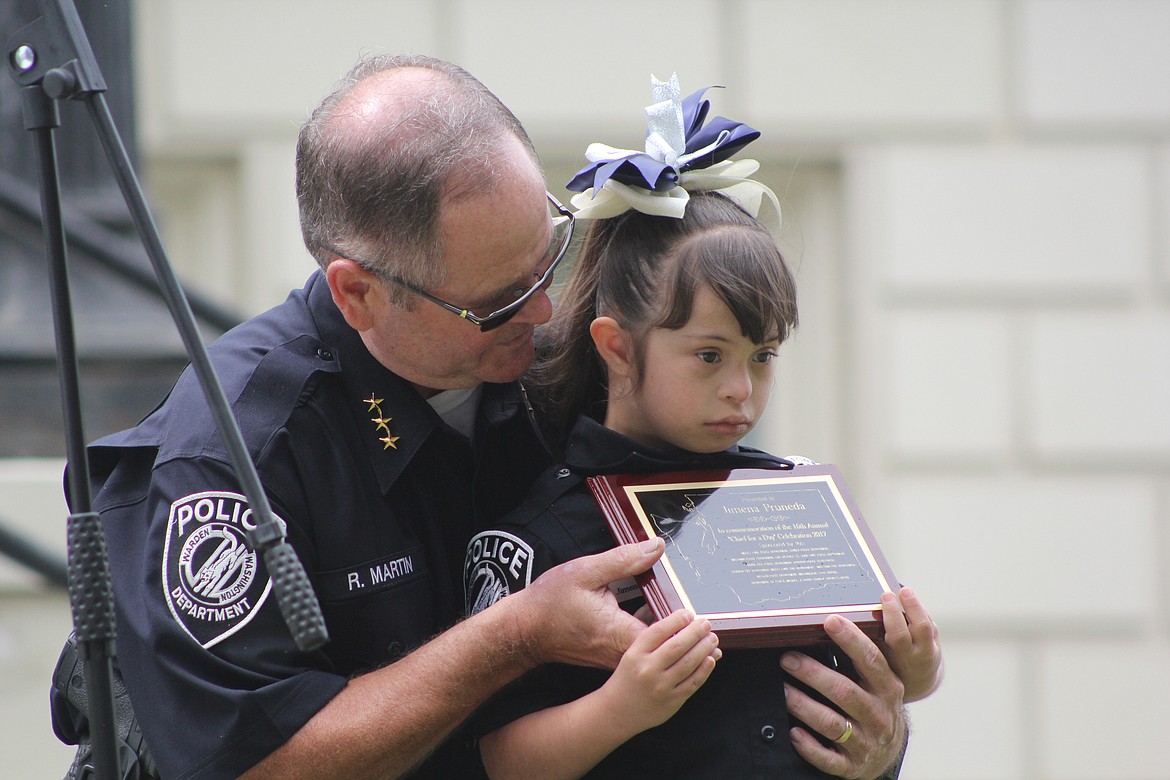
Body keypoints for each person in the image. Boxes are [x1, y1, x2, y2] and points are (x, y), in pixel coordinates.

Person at [49, 54, 696, 780]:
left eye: (550, 262)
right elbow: (257, 765)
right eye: (497, 302)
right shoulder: (232, 456)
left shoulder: (560, 361)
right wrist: (515, 634)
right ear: (357, 294)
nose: (545, 314)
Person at [463, 75, 943, 780]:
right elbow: (492, 762)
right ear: (617, 347)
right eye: (709, 356)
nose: (741, 390)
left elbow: (869, 699)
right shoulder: (544, 536)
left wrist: (912, 674)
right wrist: (620, 707)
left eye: (763, 356)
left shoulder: (790, 503)